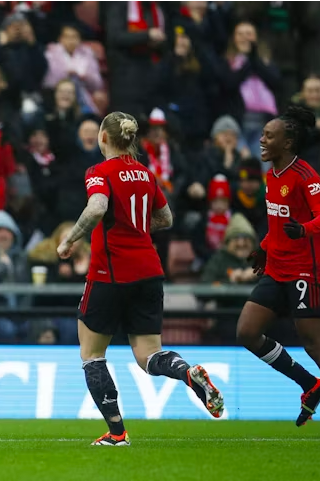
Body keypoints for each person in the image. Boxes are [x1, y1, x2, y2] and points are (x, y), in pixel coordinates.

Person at [56, 111, 224, 446]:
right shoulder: (146, 174)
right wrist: (134, 226)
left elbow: (96, 208)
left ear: (103, 138)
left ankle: (117, 432)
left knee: (92, 354)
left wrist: (70, 240)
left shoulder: (99, 171)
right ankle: (187, 373)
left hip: (110, 273)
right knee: (149, 356)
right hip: (149, 270)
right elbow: (166, 218)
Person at [238, 105, 320, 439]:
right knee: (246, 332)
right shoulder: (271, 175)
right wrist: (264, 247)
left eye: (269, 136)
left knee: (316, 346)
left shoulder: (306, 176)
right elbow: (278, 224)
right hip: (277, 268)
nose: (262, 141)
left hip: (306, 273)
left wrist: (305, 230)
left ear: (288, 142)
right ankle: (309, 384)